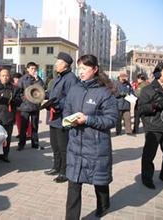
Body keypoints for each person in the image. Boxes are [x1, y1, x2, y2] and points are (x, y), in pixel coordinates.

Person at [63, 54, 118, 219]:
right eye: (79, 68)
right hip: (75, 146)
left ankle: (103, 206)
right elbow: (67, 109)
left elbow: (112, 119)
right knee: (73, 185)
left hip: (96, 148)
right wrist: (68, 121)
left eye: (85, 68)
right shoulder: (74, 89)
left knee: (99, 182)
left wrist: (88, 119)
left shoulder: (105, 92)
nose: (81, 72)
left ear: (95, 70)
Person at [43, 52, 77, 183]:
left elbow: (71, 99)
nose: (56, 64)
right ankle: (56, 167)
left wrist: (56, 105)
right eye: (56, 62)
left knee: (64, 147)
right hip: (54, 118)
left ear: (66, 65)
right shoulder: (58, 77)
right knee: (55, 145)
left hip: (63, 118)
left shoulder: (71, 79)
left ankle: (65, 172)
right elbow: (53, 95)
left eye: (59, 62)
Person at [138, 62, 163, 189]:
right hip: (153, 127)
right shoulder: (148, 89)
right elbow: (141, 109)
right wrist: (154, 106)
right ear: (158, 74)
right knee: (149, 154)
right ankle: (147, 178)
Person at [0, 68, 22, 162]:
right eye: (3, 76)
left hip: (9, 115)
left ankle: (5, 155)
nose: (5, 77)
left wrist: (12, 100)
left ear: (9, 76)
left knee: (7, 136)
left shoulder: (15, 88)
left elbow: (19, 102)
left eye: (7, 75)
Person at [17, 62, 45, 151]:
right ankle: (21, 144)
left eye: (35, 69)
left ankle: (35, 144)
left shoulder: (38, 79)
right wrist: (24, 99)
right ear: (27, 69)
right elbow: (18, 92)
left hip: (35, 106)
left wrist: (37, 80)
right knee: (23, 126)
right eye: (32, 68)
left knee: (34, 126)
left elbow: (42, 89)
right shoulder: (23, 79)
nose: (34, 70)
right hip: (25, 106)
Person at [12, 73, 32, 139]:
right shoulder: (13, 86)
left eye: (17, 79)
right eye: (15, 79)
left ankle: (29, 133)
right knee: (18, 120)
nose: (16, 80)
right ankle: (20, 133)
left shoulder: (24, 85)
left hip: (24, 105)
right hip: (16, 105)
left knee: (26, 120)